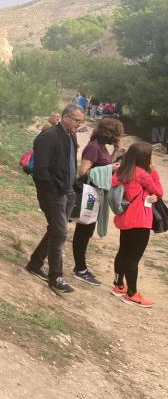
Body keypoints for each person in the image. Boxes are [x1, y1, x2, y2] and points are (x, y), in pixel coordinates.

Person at [25, 104, 86, 295]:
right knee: (60, 233)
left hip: (67, 192)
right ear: (65, 117)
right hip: (53, 194)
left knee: (55, 230)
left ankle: (35, 264)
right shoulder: (48, 136)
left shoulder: (70, 135)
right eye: (77, 120)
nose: (79, 124)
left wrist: (73, 185)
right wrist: (53, 188)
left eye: (81, 121)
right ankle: (56, 277)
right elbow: (40, 170)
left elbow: (68, 163)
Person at [71, 117, 124, 286]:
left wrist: (115, 152)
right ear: (109, 133)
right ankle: (80, 269)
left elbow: (104, 165)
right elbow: (83, 171)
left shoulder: (102, 146)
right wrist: (110, 168)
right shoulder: (94, 147)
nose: (118, 137)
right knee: (83, 232)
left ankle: (81, 267)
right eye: (117, 134)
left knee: (86, 232)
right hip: (90, 195)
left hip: (95, 195)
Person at [110, 142, 162, 308]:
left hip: (125, 218)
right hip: (139, 221)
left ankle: (119, 285)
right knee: (133, 258)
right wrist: (154, 171)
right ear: (144, 158)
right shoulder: (142, 174)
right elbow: (159, 191)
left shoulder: (122, 170)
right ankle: (132, 294)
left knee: (123, 252)